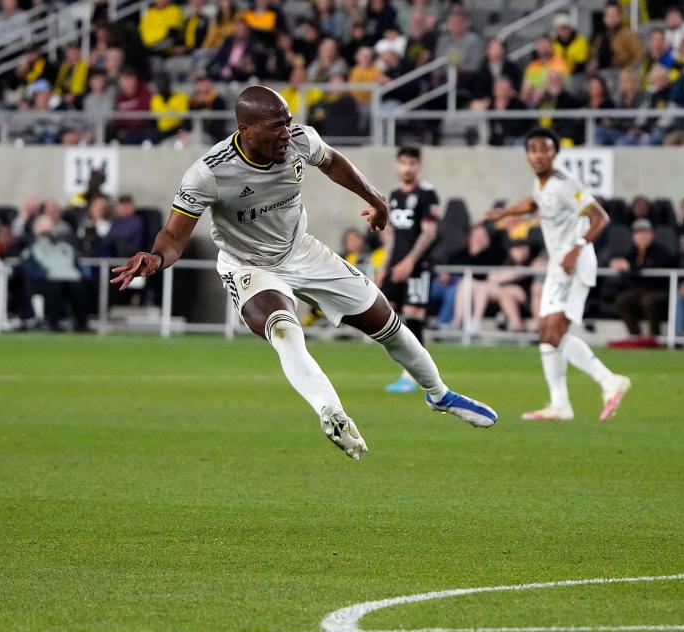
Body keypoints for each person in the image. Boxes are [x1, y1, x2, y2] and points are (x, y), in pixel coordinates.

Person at [110, 86, 497, 460]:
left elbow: (333, 163)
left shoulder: (299, 140)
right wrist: (156, 258)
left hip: (302, 250)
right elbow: (174, 237)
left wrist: (376, 199)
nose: (286, 132)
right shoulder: (208, 173)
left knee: (387, 323)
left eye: (288, 121)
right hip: (249, 265)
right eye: (276, 125)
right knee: (284, 328)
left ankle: (439, 394)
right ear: (245, 131)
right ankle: (332, 413)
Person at [483, 127, 630, 423]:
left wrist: (577, 248)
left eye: (545, 149)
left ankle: (609, 380)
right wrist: (506, 213)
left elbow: (599, 217)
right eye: (533, 149)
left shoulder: (565, 183)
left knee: (555, 331)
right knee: (545, 333)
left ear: (555, 153)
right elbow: (532, 202)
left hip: (573, 264)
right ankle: (560, 404)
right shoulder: (541, 184)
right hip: (557, 265)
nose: (539, 155)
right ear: (527, 154)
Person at [377, 145, 440, 393]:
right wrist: (384, 266)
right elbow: (390, 236)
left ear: (419, 166)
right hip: (395, 265)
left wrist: (410, 261)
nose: (407, 168)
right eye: (403, 162)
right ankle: (408, 366)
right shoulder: (393, 195)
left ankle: (412, 375)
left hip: (418, 266)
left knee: (414, 315)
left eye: (412, 163)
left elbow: (429, 233)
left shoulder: (427, 194)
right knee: (385, 315)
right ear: (396, 165)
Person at [611, 219, 676, 338]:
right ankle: (635, 336)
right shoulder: (633, 251)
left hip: (659, 290)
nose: (642, 236)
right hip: (640, 291)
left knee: (649, 301)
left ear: (652, 235)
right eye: (638, 233)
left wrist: (630, 267)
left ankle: (654, 337)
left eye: (645, 233)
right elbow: (626, 267)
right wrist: (617, 263)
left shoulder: (661, 251)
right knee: (622, 300)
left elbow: (652, 266)